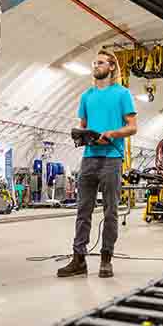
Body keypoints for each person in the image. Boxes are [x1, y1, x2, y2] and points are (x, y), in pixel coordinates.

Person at [58, 50, 137, 278]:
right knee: (83, 210)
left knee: (111, 210)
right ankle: (79, 259)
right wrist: (81, 136)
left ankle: (106, 259)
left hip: (112, 158)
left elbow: (132, 126)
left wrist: (111, 133)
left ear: (111, 67)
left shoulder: (122, 94)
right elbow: (83, 124)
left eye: (100, 62)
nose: (96, 66)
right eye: (94, 63)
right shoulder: (87, 96)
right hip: (90, 158)